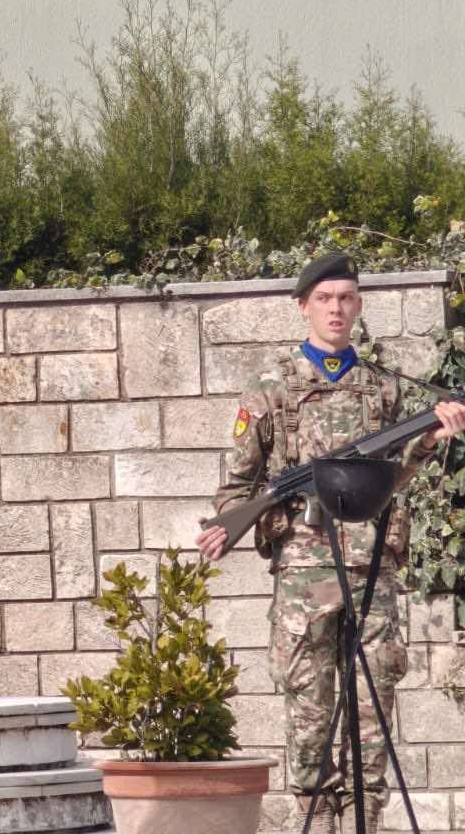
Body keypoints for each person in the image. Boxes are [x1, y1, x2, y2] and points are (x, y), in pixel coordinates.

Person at [197, 252, 465, 834]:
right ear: (304, 307)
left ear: (359, 305)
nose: (335, 309)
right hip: (303, 578)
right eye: (324, 299)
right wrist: (233, 523)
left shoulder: (385, 388)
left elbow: (391, 478)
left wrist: (427, 441)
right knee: (310, 714)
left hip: (372, 573)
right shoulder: (270, 389)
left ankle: (365, 822)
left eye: (345, 298)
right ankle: (315, 821)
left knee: (372, 715)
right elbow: (237, 485)